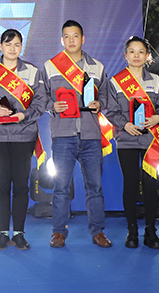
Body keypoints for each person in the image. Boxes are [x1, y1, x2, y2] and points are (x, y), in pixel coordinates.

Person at [45, 20, 113, 249]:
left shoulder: (97, 67)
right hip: (63, 134)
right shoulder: (51, 66)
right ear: (61, 40)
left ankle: (98, 231)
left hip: (91, 135)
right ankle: (58, 232)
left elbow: (106, 96)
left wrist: (100, 104)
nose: (71, 40)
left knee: (95, 187)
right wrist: (52, 106)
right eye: (66, 36)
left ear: (83, 39)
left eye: (75, 36)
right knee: (61, 187)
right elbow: (40, 97)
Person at [0, 28, 48, 250]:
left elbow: (40, 103)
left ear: (21, 47)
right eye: (8, 44)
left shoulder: (32, 72)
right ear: (0, 46)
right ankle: (2, 234)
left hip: (23, 135)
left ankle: (18, 233)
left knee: (20, 185)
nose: (12, 48)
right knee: (1, 186)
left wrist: (23, 115)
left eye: (17, 44)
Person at [103, 36, 159, 249]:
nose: (136, 55)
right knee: (130, 184)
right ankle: (132, 230)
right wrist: (125, 125)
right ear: (125, 55)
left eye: (141, 52)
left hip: (151, 140)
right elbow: (111, 111)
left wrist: (158, 117)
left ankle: (151, 231)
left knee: (150, 184)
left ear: (147, 56)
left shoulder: (157, 81)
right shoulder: (116, 82)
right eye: (132, 51)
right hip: (127, 139)